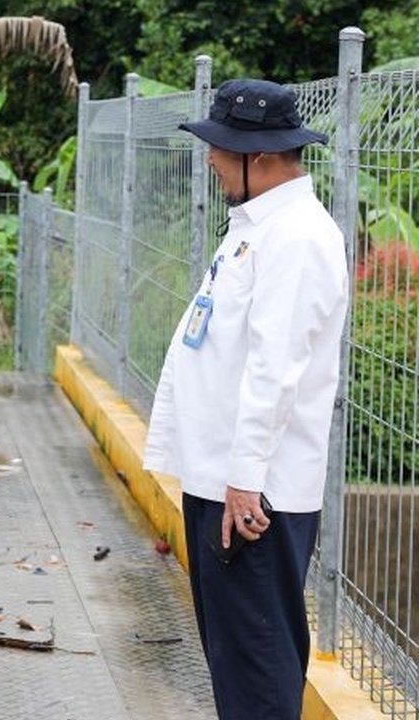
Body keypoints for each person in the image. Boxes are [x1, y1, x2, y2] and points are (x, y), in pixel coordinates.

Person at [144, 78, 348, 720]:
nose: (208, 159)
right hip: (225, 479)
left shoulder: (297, 238)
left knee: (257, 667)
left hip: (255, 496)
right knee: (236, 663)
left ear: (258, 158)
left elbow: (275, 369)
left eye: (218, 148)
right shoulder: (257, 226)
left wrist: (242, 483)